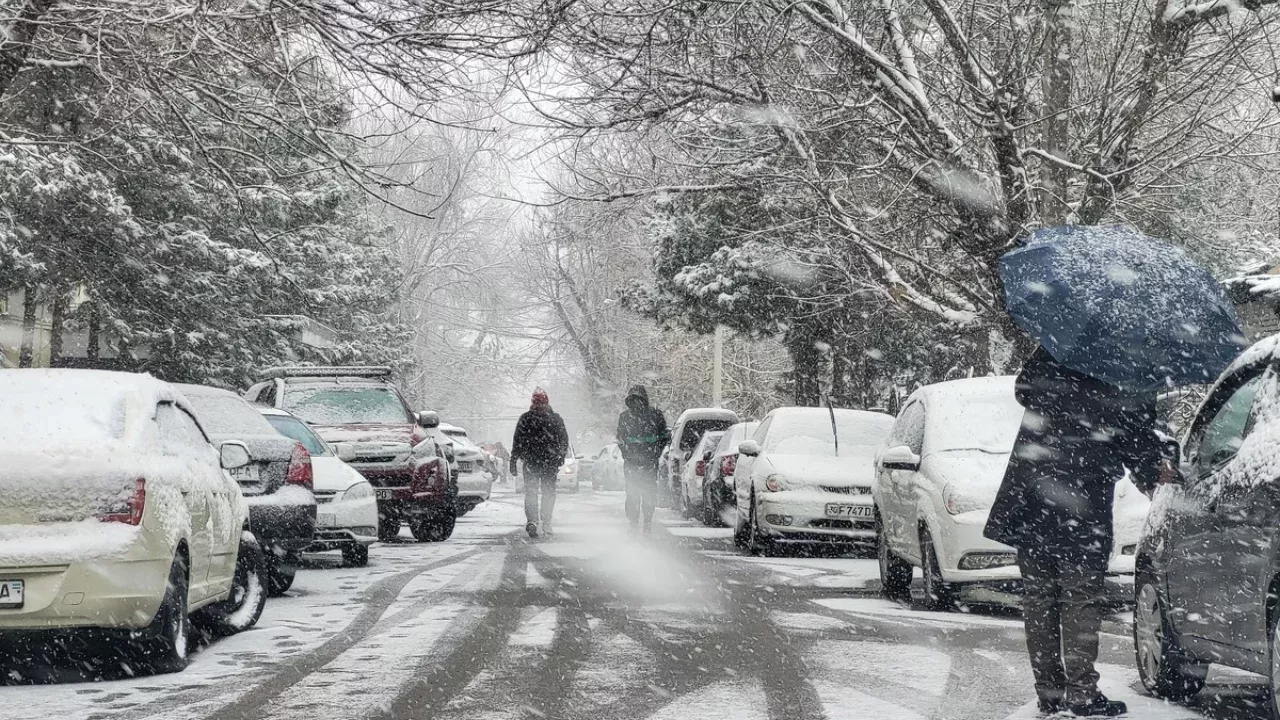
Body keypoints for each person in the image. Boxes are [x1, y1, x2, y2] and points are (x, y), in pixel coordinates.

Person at [985, 347, 1170, 717]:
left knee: (1040, 597)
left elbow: (1026, 388)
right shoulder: (1126, 363)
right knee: (1079, 597)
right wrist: (1154, 469)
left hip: (1032, 491)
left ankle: (1050, 693)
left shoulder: (1059, 347)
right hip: (1081, 501)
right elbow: (1132, 433)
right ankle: (1082, 693)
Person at [510, 389, 569, 539]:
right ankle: (544, 521)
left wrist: (514, 458)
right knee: (547, 493)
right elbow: (563, 440)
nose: (539, 406)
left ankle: (534, 521)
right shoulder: (555, 419)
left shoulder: (526, 418)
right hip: (547, 462)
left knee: (532, 493)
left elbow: (517, 441)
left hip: (533, 462)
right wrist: (559, 456)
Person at [615, 384, 669, 533]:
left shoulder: (655, 415)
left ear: (643, 400)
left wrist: (655, 452)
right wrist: (627, 453)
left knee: (647, 493)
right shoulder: (625, 417)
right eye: (633, 400)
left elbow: (664, 436)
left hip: (648, 463)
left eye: (638, 400)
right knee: (633, 493)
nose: (636, 403)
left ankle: (646, 522)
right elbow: (620, 439)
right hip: (634, 463)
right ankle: (634, 522)